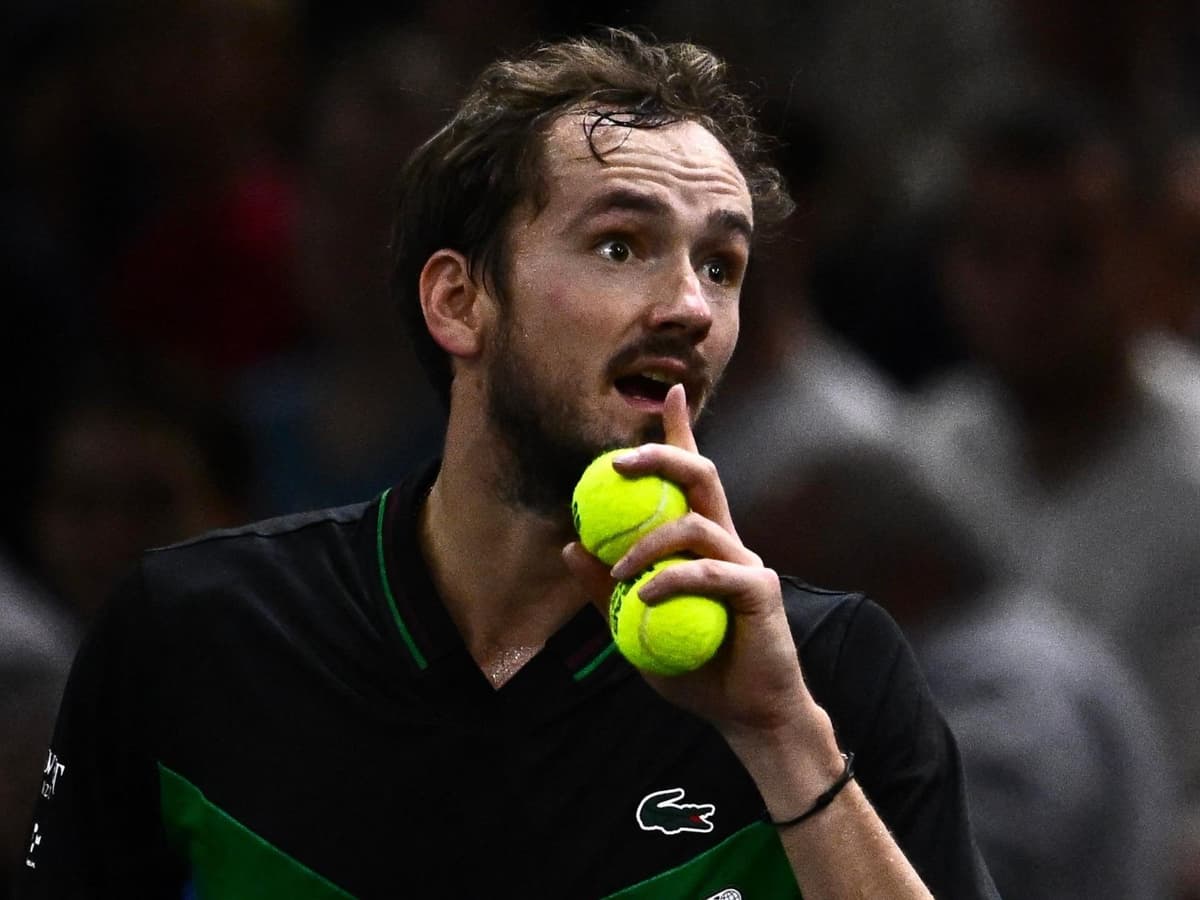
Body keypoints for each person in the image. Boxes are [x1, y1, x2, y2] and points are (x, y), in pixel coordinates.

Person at [17, 30, 998, 899]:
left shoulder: (827, 679)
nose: (692, 308)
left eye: (721, 266)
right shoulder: (191, 635)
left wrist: (782, 738)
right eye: (621, 245)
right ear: (458, 302)